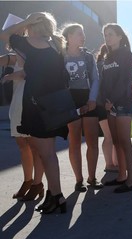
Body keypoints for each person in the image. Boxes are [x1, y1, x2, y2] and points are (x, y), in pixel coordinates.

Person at [0, 12, 69, 214]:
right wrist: (15, 75)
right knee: (49, 154)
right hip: (56, 103)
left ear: (33, 25)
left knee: (45, 154)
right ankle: (55, 194)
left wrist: (26, 21)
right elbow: (36, 72)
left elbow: (4, 34)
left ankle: (56, 196)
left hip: (36, 104)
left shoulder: (28, 43)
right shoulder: (56, 45)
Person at [61, 23, 102, 192]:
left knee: (92, 141)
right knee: (74, 141)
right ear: (69, 36)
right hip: (69, 100)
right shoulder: (60, 56)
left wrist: (92, 99)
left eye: (83, 33)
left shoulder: (88, 56)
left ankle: (92, 177)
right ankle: (79, 180)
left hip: (88, 98)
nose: (83, 36)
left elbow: (95, 79)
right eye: (79, 33)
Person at [98, 23, 132, 192]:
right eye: (106, 34)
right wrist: (105, 101)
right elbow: (104, 83)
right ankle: (121, 176)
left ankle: (131, 181)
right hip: (109, 104)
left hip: (123, 103)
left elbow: (124, 81)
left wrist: (112, 100)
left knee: (125, 141)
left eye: (111, 34)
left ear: (120, 36)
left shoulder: (126, 55)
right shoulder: (107, 57)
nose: (108, 37)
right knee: (116, 142)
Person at [1, 52, 44, 201]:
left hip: (32, 104)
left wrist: (9, 77)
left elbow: (29, 72)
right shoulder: (12, 56)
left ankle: (37, 184)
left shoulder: (35, 52)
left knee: (35, 146)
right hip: (17, 104)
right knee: (22, 145)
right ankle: (27, 181)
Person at [96, 43, 118, 172]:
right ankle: (110, 164)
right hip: (106, 103)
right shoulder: (104, 65)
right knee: (110, 136)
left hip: (102, 103)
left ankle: (112, 163)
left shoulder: (99, 64)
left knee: (109, 136)